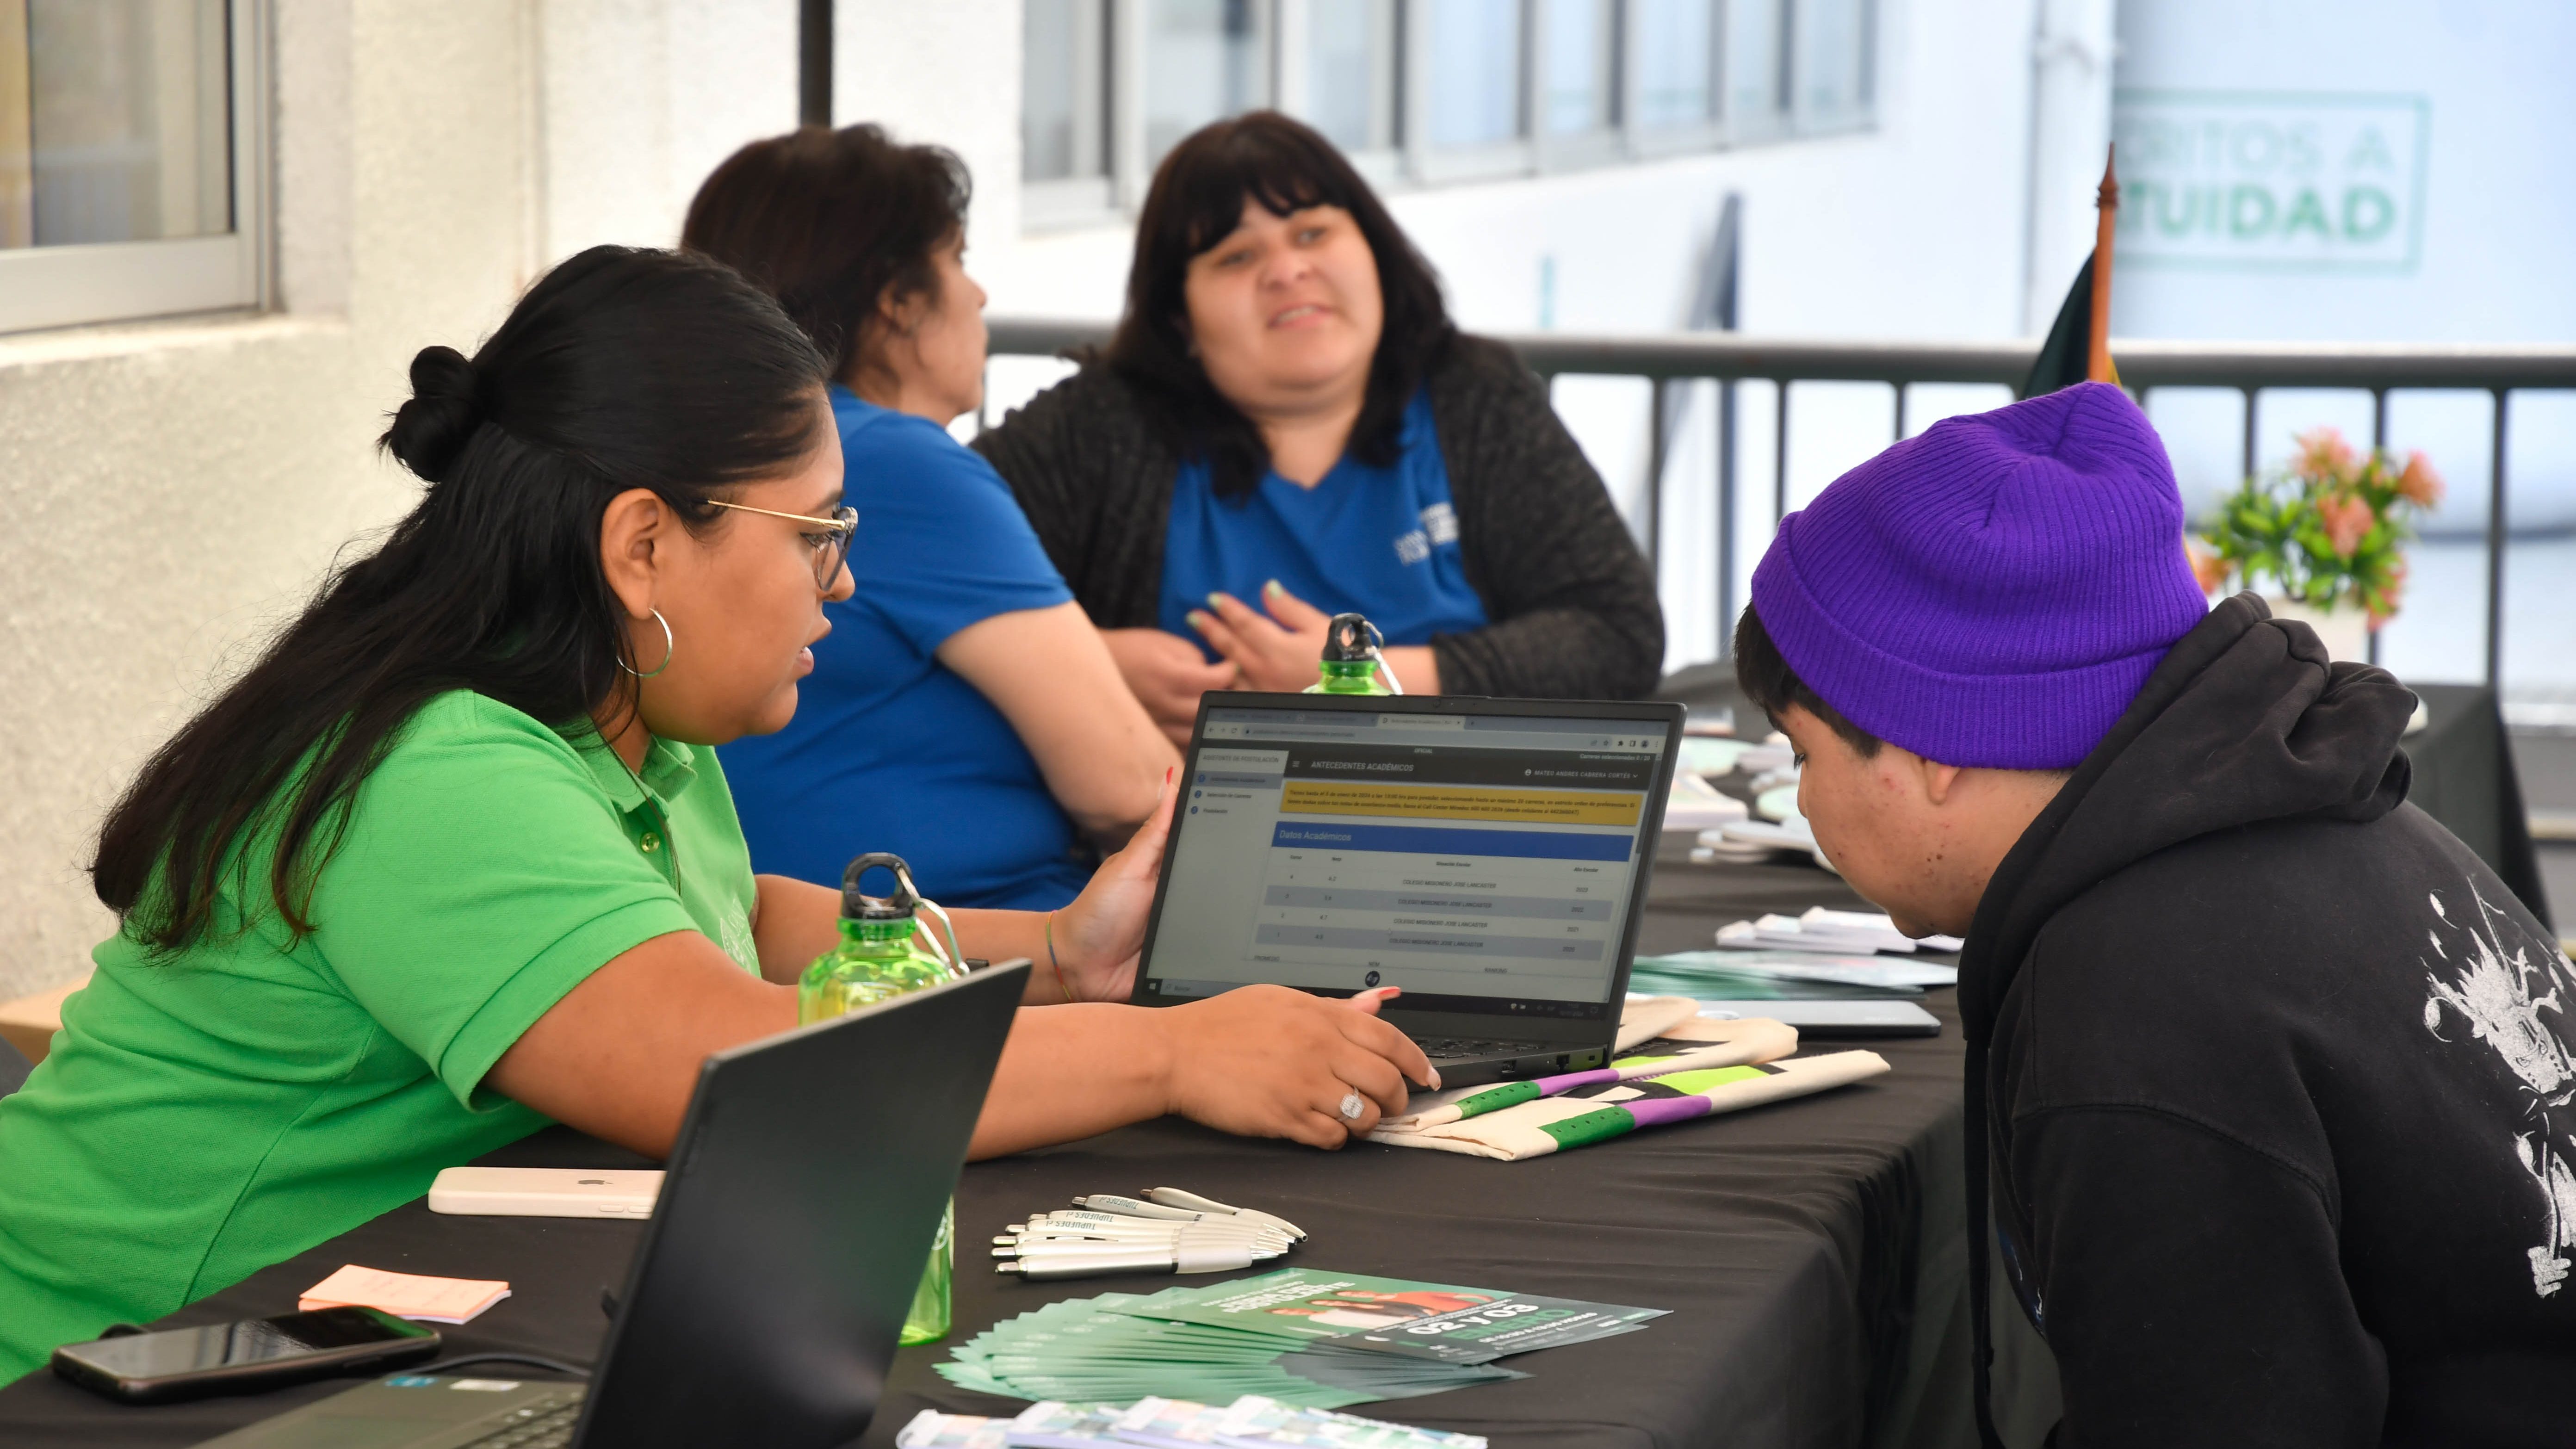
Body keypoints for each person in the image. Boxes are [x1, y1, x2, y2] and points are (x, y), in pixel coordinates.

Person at [0, 247, 1435, 1385]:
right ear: (641, 545)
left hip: (360, 1346)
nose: (845, 587)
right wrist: (1173, 1048)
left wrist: (1061, 954)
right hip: (126, 1373)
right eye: (820, 535)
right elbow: (726, 1056)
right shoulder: (435, 768)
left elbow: (725, 925)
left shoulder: (623, 721)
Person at [1733, 380, 2575, 1444]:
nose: (1801, 797)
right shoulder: (2333, 823)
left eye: (1802, 753)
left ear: (1932, 746)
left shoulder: (2135, 1005)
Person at [972, 112, 1661, 744]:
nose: (1287, 270)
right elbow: (921, 565)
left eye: (1312, 233)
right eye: (1236, 257)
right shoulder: (1098, 429)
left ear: (1375, 253)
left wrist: (1364, 679)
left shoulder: (1474, 395)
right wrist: (1087, 661)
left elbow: (1617, 637)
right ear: (1179, 319)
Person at [680, 125, 1174, 908]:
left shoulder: (703, 455)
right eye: (959, 260)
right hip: (968, 946)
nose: (977, 295)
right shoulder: (901, 462)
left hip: (773, 932)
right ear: (898, 299)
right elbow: (1127, 788)